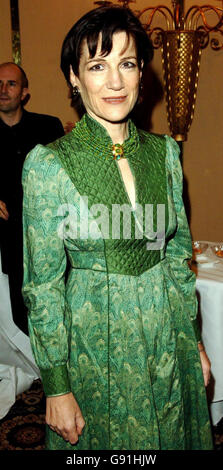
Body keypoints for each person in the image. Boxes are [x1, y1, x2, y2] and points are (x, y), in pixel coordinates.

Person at [22, 6, 213, 450]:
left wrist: (195, 344)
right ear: (74, 77)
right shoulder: (49, 164)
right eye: (96, 65)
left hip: (169, 339)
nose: (114, 82)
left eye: (126, 63)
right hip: (95, 350)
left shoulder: (165, 153)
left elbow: (176, 257)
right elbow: (43, 286)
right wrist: (55, 386)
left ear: (141, 72)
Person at [0, 62, 64, 334]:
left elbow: (66, 178)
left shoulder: (48, 127)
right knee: (16, 316)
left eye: (11, 84)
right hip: (6, 240)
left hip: (47, 237)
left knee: (53, 312)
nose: (3, 90)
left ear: (24, 92)